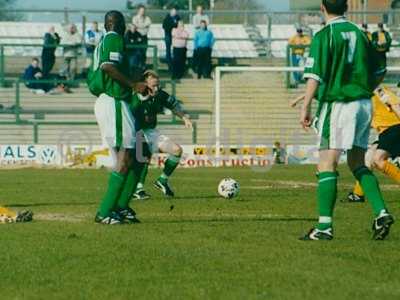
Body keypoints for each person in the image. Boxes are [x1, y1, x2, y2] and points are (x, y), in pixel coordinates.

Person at [298, 0, 393, 241]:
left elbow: (315, 76)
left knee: (327, 163)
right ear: (346, 8)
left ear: (322, 7)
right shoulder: (361, 35)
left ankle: (324, 227)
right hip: (363, 103)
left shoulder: (324, 35)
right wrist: (363, 89)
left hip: (339, 104)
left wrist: (306, 105)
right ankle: (381, 212)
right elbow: (379, 70)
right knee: (357, 162)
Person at [87, 10, 146, 225]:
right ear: (118, 24)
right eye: (123, 22)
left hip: (115, 101)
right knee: (127, 155)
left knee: (140, 153)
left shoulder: (105, 41)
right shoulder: (114, 38)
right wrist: (133, 84)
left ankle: (119, 207)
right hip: (113, 101)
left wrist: (134, 79)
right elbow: (108, 67)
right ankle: (105, 212)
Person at [130, 70, 192, 200]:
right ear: (145, 84)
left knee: (177, 150)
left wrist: (184, 118)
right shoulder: (136, 96)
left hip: (152, 132)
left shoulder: (160, 95)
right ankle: (138, 189)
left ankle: (162, 180)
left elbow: (174, 105)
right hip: (135, 131)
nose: (157, 87)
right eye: (154, 85)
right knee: (144, 156)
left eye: (158, 84)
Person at [346, 86, 400, 202]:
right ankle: (358, 194)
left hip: (394, 128)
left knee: (378, 159)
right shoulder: (363, 94)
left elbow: (395, 104)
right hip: (385, 132)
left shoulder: (378, 90)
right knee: (367, 159)